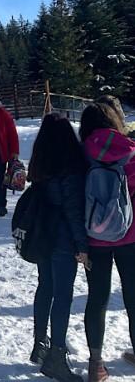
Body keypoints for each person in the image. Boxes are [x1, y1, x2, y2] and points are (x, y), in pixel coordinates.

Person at [26, 113, 88, 382]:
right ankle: (56, 356)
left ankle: (40, 344)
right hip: (63, 238)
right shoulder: (71, 167)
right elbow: (73, 210)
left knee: (45, 287)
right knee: (63, 295)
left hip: (43, 234)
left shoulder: (40, 163)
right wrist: (82, 245)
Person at [79, 101, 135, 382]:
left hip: (94, 239)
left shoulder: (80, 155)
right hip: (131, 237)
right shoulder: (131, 150)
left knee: (98, 298)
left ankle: (95, 364)